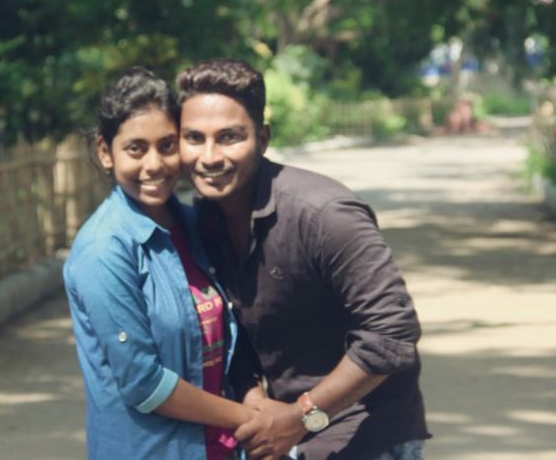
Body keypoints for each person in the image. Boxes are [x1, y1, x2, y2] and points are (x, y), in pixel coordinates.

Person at [176, 59, 431, 460]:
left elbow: (392, 334)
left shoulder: (324, 214)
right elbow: (234, 326)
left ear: (262, 138)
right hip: (289, 437)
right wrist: (253, 399)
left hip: (367, 437)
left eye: (229, 137)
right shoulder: (206, 217)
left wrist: (301, 416)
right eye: (194, 138)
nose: (209, 156)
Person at [63, 67, 256, 460]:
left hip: (218, 448)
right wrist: (251, 419)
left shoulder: (195, 224)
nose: (154, 165)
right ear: (105, 152)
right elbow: (143, 383)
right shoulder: (104, 250)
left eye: (167, 145)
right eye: (136, 148)